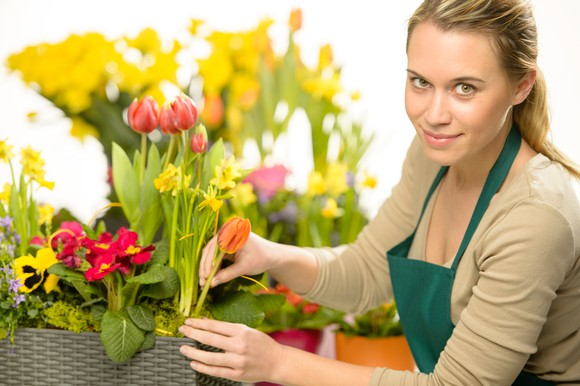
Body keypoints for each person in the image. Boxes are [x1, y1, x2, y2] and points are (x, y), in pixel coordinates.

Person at [178, 0, 580, 384]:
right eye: (420, 82)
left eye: (465, 88)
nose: (435, 116)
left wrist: (277, 362)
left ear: (521, 86)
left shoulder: (535, 216)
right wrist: (269, 255)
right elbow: (367, 272)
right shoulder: (437, 157)